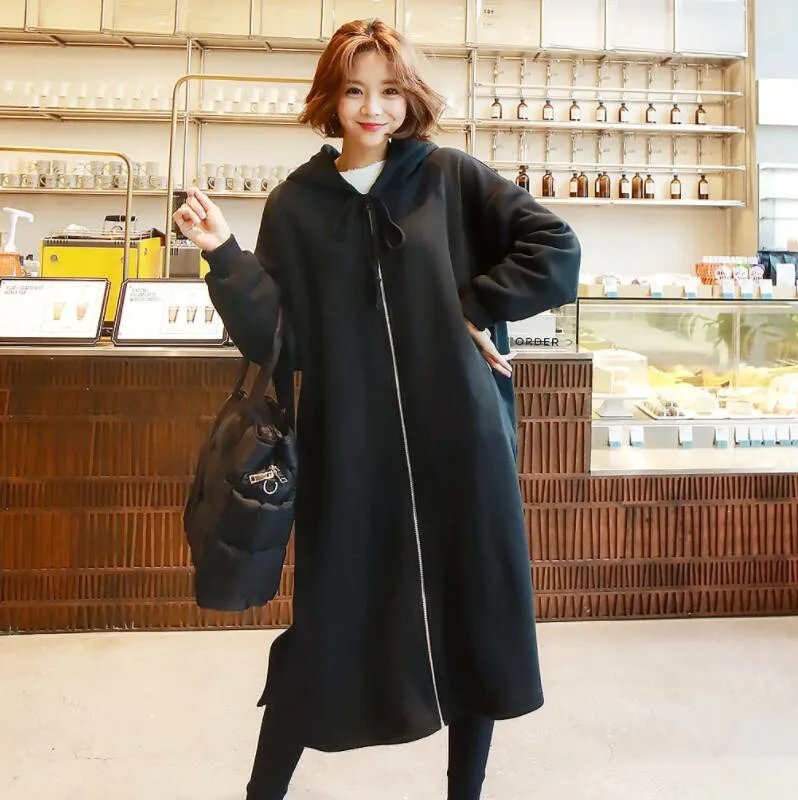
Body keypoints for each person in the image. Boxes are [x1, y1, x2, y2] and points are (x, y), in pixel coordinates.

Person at [173, 18, 581, 800]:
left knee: (470, 621)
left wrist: (476, 305)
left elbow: (556, 248)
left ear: (409, 97)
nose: (373, 108)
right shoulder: (297, 204)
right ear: (332, 98)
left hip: (460, 444)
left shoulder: (451, 179)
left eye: (390, 91)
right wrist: (225, 254)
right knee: (325, 632)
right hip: (352, 453)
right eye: (356, 90)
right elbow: (279, 340)